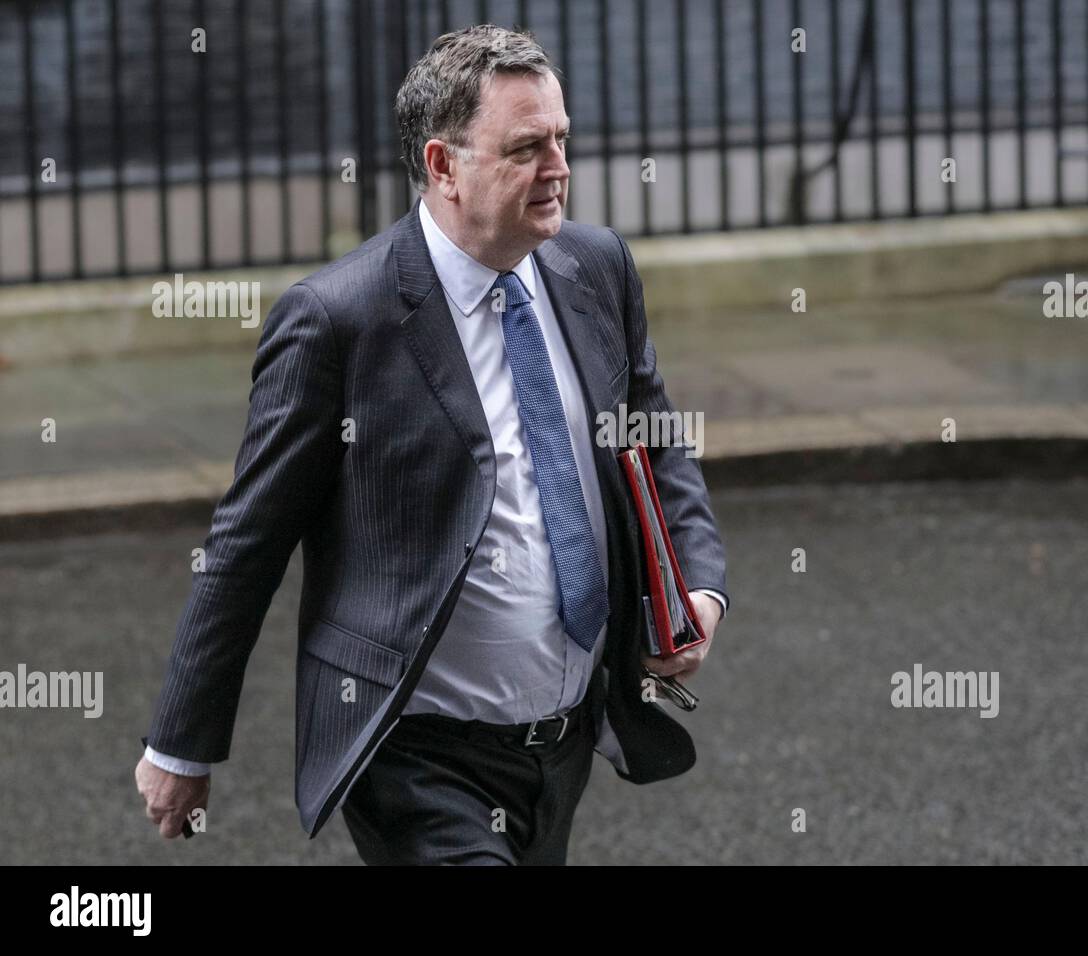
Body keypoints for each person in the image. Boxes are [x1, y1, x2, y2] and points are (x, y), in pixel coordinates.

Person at [134, 23, 729, 865]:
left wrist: (697, 586)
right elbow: (249, 538)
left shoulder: (596, 269)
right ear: (444, 166)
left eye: (561, 139)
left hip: (561, 741)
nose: (558, 169)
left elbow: (655, 440)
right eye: (525, 148)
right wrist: (181, 744)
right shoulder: (339, 320)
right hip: (418, 754)